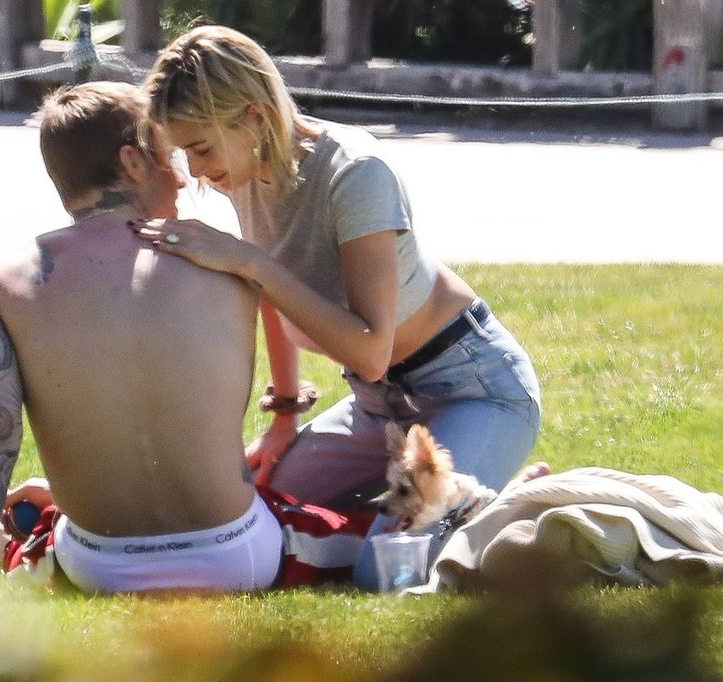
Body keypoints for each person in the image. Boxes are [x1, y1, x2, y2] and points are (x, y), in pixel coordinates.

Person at [0, 81, 367, 603]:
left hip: (97, 564)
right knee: (379, 531)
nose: (184, 177)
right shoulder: (225, 260)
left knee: (48, 532)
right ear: (133, 162)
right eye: (171, 156)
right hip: (235, 554)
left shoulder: (0, 285)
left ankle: (1, 541)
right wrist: (285, 410)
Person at [136, 25, 542, 511]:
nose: (197, 171)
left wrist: (249, 262)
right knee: (260, 512)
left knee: (396, 551)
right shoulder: (244, 173)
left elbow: (370, 351)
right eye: (185, 153)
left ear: (255, 116)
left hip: (472, 388)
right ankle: (477, 506)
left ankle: (509, 506)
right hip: (378, 405)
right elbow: (274, 293)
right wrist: (284, 416)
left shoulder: (356, 173)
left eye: (201, 149)